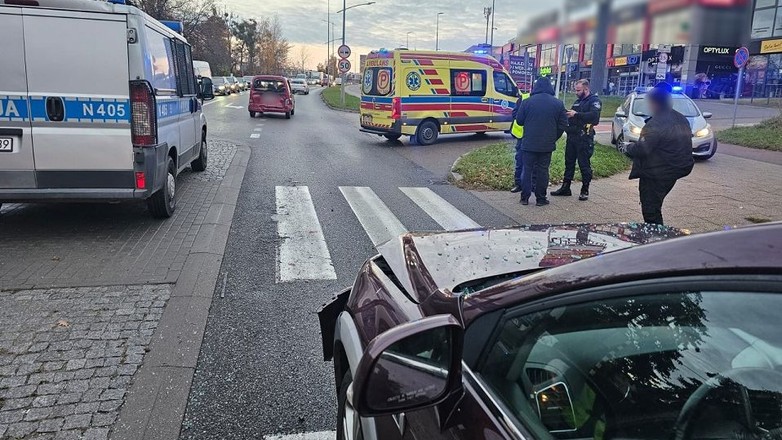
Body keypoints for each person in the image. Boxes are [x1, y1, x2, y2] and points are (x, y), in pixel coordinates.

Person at [620, 82, 694, 225]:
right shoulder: (680, 118)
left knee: (651, 209)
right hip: (675, 169)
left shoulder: (656, 123)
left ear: (655, 103)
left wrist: (627, 148)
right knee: (655, 204)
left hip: (656, 172)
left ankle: (656, 239)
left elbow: (643, 149)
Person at [515, 77, 568, 206]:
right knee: (543, 171)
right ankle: (541, 199)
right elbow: (563, 125)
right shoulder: (558, 103)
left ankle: (524, 198)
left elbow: (519, 121)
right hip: (547, 144)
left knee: (526, 170)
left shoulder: (527, 102)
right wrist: (553, 137)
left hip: (528, 143)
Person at [551, 79, 601, 201]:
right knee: (569, 163)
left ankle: (585, 190)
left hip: (584, 138)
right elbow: (573, 118)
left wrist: (576, 115)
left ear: (586, 89)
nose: (576, 92)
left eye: (578, 90)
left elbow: (594, 118)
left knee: (584, 165)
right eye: (576, 90)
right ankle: (566, 187)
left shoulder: (594, 101)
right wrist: (568, 115)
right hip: (572, 137)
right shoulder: (578, 102)